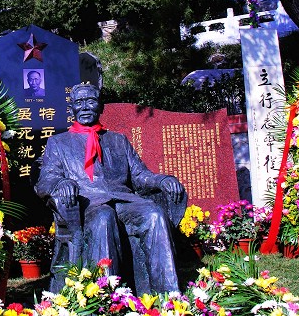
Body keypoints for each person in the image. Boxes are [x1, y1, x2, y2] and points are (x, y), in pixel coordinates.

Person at [34, 83, 186, 295]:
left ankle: (168, 296)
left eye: (91, 101)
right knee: (104, 217)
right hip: (87, 204)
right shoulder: (59, 143)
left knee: (154, 214)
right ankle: (105, 298)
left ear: (101, 106)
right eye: (79, 102)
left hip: (124, 201)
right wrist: (61, 183)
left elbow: (139, 175)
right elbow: (46, 179)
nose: (85, 107)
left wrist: (162, 180)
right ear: (71, 109)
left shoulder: (118, 140)